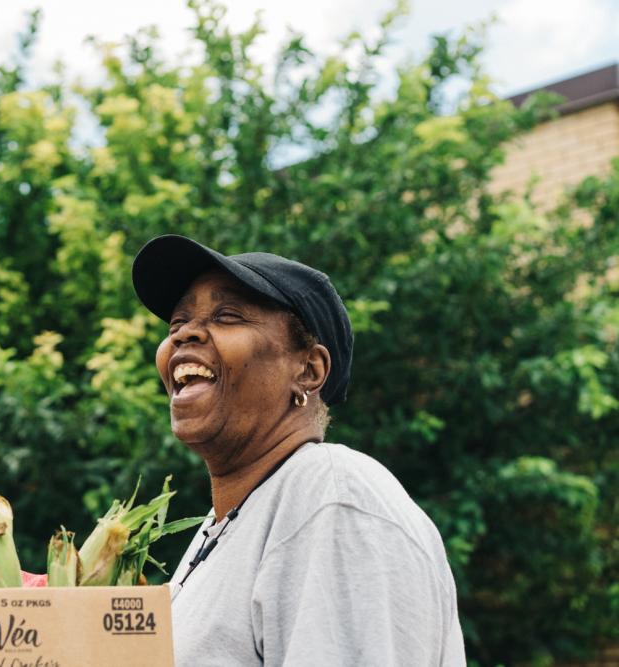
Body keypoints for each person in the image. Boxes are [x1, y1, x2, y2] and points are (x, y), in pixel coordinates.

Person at [131, 234, 466, 666]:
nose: (185, 335)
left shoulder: (332, 497)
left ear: (308, 370)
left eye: (227, 315)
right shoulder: (230, 525)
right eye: (177, 323)